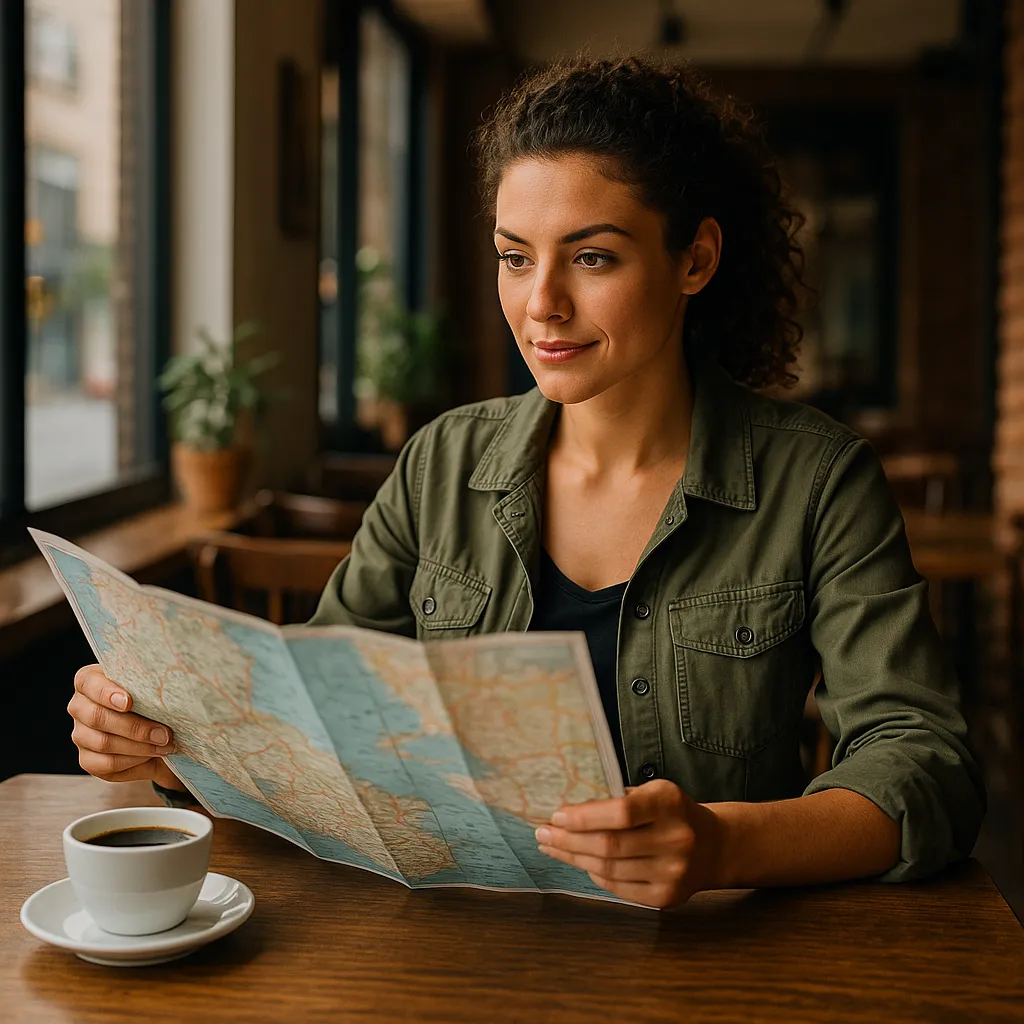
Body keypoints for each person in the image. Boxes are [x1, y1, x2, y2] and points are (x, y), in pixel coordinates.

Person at [68, 55, 985, 910]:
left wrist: (720, 846)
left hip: (712, 953)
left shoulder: (817, 480)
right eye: (515, 256)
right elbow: (317, 729)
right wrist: (162, 748)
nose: (541, 302)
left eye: (592, 257)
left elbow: (926, 760)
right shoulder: (441, 466)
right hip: (459, 941)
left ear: (695, 259)